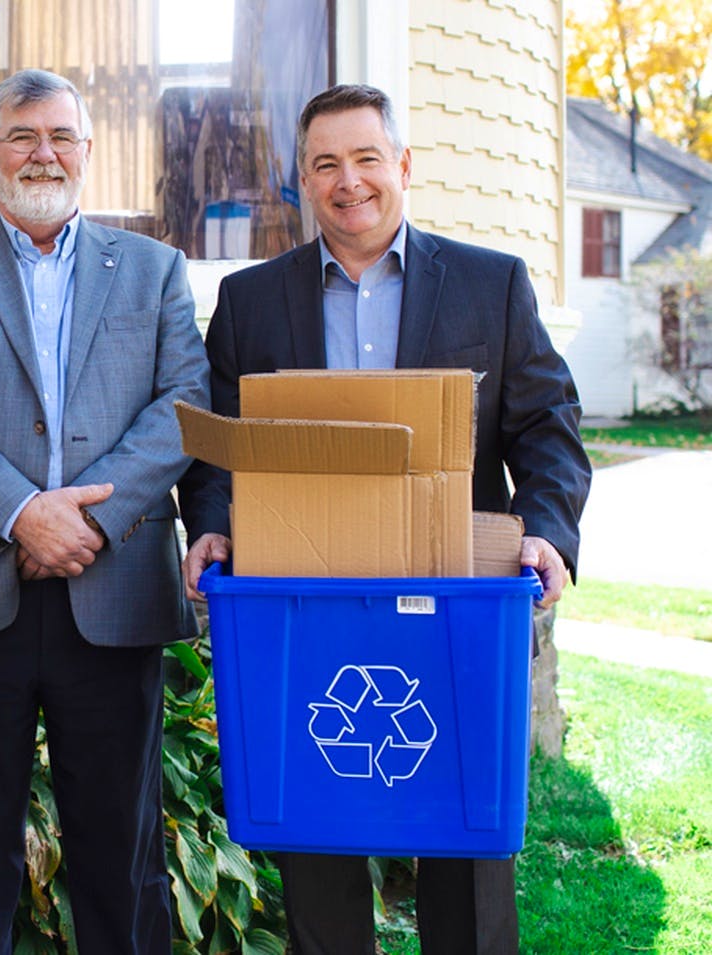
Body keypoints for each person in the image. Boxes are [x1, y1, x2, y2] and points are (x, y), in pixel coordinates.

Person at [179, 84, 592, 955]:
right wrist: (212, 524)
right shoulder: (251, 303)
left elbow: (548, 426)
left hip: (455, 604)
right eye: (325, 164)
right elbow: (218, 448)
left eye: (367, 158)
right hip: (305, 602)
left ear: (402, 166)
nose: (349, 181)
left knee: (468, 848)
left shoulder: (491, 284)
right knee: (318, 836)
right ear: (300, 183)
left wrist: (547, 528)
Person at [0, 69, 209, 954]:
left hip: (113, 590)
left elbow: (182, 403)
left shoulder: (154, 269)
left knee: (122, 845)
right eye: (23, 135)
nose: (43, 153)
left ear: (89, 154)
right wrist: (24, 512)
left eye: (61, 136)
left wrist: (89, 522)